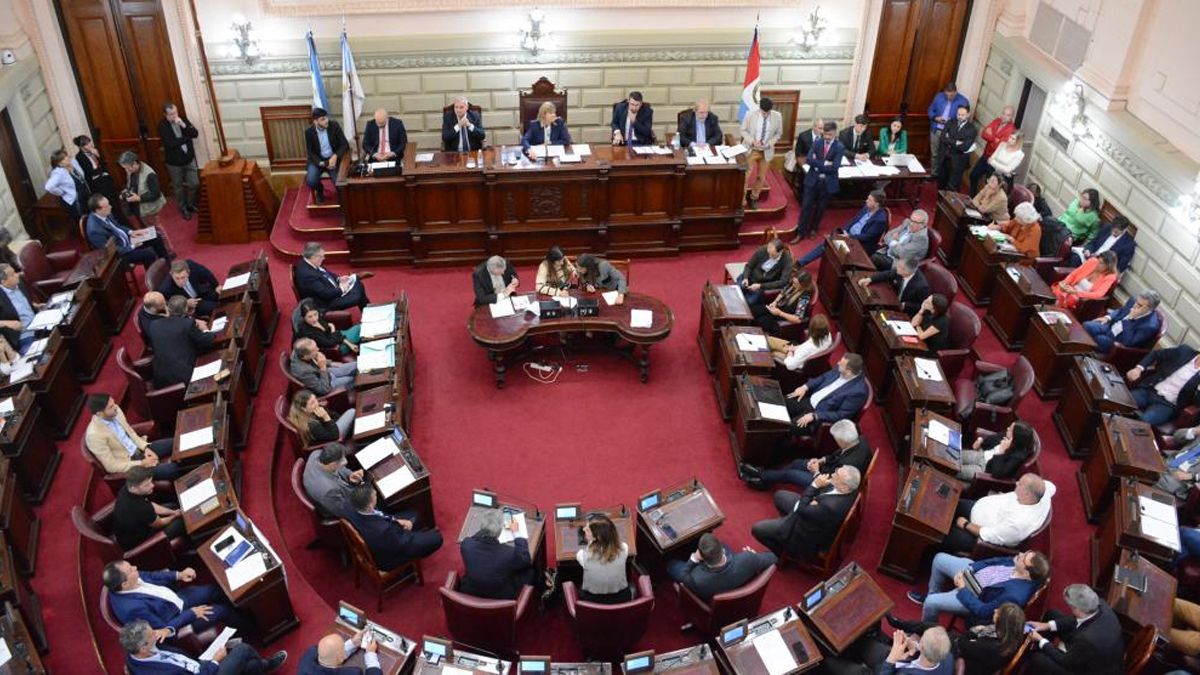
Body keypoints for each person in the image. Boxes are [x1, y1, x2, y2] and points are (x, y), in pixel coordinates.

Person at [908, 550, 1048, 625]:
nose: (1020, 554)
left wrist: (963, 588)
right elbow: (995, 560)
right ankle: (933, 594)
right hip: (972, 574)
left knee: (932, 602)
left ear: (1026, 572)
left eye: (1023, 558)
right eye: (1025, 553)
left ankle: (926, 630)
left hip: (974, 596)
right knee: (939, 559)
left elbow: (983, 611)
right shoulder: (1019, 563)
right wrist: (971, 568)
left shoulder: (1014, 596)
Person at [105, 561, 239, 637]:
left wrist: (179, 575)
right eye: (131, 570)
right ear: (125, 584)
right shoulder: (133, 610)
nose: (136, 568)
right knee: (222, 610)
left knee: (215, 589)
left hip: (174, 600)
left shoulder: (127, 581)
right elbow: (162, 629)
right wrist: (191, 613)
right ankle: (252, 627)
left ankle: (244, 602)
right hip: (178, 619)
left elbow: (153, 576)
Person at [750, 466, 860, 558]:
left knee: (757, 529)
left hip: (804, 534)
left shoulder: (830, 507)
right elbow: (810, 503)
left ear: (845, 487)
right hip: (811, 514)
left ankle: (781, 552)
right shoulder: (851, 490)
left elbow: (802, 508)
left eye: (837, 476)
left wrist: (815, 486)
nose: (833, 475)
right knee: (779, 496)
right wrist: (813, 501)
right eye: (836, 472)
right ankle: (783, 526)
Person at [885, 604, 1025, 675]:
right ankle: (901, 625)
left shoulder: (993, 648)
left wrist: (975, 632)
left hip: (963, 663)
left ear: (1002, 623)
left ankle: (900, 627)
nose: (995, 610)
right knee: (934, 628)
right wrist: (975, 632)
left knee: (933, 631)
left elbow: (964, 642)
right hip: (969, 651)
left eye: (998, 612)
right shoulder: (1012, 635)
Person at [740, 418, 869, 491]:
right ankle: (766, 480)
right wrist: (821, 461)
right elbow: (836, 455)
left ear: (842, 441)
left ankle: (760, 474)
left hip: (827, 484)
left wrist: (816, 471)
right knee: (797, 463)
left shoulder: (850, 463)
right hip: (826, 469)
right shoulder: (857, 439)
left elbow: (833, 482)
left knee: (790, 474)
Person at [122, 619, 287, 674]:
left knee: (250, 665)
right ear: (143, 648)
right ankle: (265, 666)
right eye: (152, 635)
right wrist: (215, 661)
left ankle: (258, 668)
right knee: (242, 649)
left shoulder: (137, 652)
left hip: (199, 664)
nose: (157, 633)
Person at [942, 473, 1055, 552]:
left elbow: (988, 535)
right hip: (976, 507)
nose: (1016, 483)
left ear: (1027, 494)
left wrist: (965, 524)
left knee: (940, 531)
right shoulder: (1044, 492)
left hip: (977, 536)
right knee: (945, 501)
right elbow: (1052, 487)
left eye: (1020, 484)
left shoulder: (1018, 524)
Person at [1026, 584, 1123, 674]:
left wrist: (1041, 640)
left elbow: (1066, 661)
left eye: (1070, 607)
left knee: (1038, 659)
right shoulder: (1099, 603)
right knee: (1052, 614)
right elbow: (1075, 619)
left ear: (1077, 609)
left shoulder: (1088, 640)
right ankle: (1041, 648)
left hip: (1088, 669)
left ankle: (1036, 656)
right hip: (1086, 641)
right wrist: (1046, 625)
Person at [345, 483, 443, 571]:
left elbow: (380, 516)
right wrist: (403, 531)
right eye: (374, 495)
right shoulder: (384, 530)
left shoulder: (350, 507)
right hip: (390, 557)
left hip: (382, 534)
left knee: (413, 514)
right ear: (370, 505)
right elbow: (403, 543)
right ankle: (418, 555)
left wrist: (397, 521)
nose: (376, 495)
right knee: (437, 538)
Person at [85, 393, 180, 480]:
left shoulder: (115, 410)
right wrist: (142, 463)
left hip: (139, 448)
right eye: (111, 407)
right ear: (99, 414)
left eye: (114, 403)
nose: (115, 407)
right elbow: (111, 466)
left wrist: (145, 448)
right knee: (173, 469)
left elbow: (131, 432)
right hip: (129, 462)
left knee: (178, 442)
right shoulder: (94, 435)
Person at [666, 533, 777, 602]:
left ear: (702, 559)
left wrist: (693, 559)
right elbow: (773, 557)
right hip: (735, 574)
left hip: (708, 588)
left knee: (670, 564)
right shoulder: (747, 559)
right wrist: (754, 557)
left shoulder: (697, 579)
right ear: (722, 550)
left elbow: (682, 576)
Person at [795, 190, 889, 266]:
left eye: (869, 200)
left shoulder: (880, 220)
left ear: (876, 204)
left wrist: (849, 236)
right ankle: (802, 261)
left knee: (828, 244)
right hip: (848, 235)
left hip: (859, 244)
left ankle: (801, 262)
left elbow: (867, 236)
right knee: (829, 242)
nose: (866, 201)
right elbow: (854, 220)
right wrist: (844, 230)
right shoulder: (866, 208)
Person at [783, 354, 869, 437]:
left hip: (819, 415)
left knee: (785, 427)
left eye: (841, 364)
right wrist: (805, 387)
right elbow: (822, 378)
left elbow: (841, 415)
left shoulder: (858, 392)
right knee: (781, 402)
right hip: (808, 401)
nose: (838, 363)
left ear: (849, 371)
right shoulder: (839, 369)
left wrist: (816, 416)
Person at [459, 508, 533, 600]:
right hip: (500, 598)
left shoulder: (467, 545)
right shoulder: (508, 554)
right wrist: (517, 533)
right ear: (500, 531)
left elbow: (473, 538)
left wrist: (486, 529)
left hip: (470, 592)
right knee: (530, 571)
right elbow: (525, 560)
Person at [144, 295, 216, 388]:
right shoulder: (187, 324)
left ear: (168, 308)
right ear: (186, 310)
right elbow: (208, 340)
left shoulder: (154, 325)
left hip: (161, 380)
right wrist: (205, 329)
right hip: (186, 379)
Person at [85, 194, 170, 268]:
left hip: (128, 240)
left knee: (156, 236)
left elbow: (118, 226)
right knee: (148, 254)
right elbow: (110, 251)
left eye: (109, 204)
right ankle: (153, 280)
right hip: (121, 253)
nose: (110, 207)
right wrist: (132, 247)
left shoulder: (104, 213)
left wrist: (131, 232)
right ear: (98, 210)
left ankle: (168, 267)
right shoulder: (95, 231)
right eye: (107, 206)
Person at [792, 121, 843, 241]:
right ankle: (801, 232)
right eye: (825, 134)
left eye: (829, 135)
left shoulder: (839, 147)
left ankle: (814, 228)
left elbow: (835, 167)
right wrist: (825, 163)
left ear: (835, 133)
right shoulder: (817, 142)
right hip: (812, 180)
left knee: (820, 208)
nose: (826, 137)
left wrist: (818, 164)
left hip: (827, 183)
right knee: (806, 206)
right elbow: (809, 160)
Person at [112, 466, 184, 550]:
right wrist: (175, 515)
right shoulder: (139, 507)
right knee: (181, 522)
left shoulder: (126, 489)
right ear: (134, 488)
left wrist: (173, 512)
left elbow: (150, 505)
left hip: (139, 526)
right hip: (139, 544)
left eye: (151, 482)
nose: (152, 485)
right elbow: (160, 524)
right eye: (146, 485)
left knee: (172, 506)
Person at [1126, 345, 1200, 426]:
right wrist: (1138, 369)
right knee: (1122, 402)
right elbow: (1156, 354)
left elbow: (1197, 403)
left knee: (1143, 422)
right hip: (1149, 391)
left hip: (1167, 405)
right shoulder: (1184, 351)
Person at [294, 243, 372, 311]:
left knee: (357, 284)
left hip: (330, 290)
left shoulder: (309, 262)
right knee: (357, 295)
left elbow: (325, 273)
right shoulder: (308, 275)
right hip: (326, 303)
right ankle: (369, 312)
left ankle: (369, 311)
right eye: (321, 257)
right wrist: (342, 289)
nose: (324, 258)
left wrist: (338, 279)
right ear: (313, 257)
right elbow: (325, 294)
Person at [1083, 290, 1161, 355]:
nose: (1135, 305)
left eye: (1139, 305)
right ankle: (1080, 349)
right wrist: (1108, 317)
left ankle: (1084, 354)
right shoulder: (1133, 300)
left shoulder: (1150, 326)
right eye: (1137, 301)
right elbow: (1120, 310)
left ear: (1150, 309)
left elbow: (1129, 343)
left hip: (1119, 341)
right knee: (1087, 325)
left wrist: (1130, 318)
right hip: (1111, 326)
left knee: (1099, 339)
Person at [73, 134, 128, 226]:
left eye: (89, 142)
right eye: (86, 144)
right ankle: (117, 223)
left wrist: (97, 155)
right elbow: (88, 171)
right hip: (96, 183)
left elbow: (103, 164)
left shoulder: (95, 151)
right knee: (108, 204)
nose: (90, 145)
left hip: (105, 178)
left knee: (115, 201)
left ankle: (122, 220)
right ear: (81, 147)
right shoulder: (79, 157)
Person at [157, 103, 200, 220]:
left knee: (194, 183)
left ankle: (190, 205)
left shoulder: (183, 120)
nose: (174, 116)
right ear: (165, 115)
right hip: (174, 163)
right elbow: (170, 144)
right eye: (171, 114)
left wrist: (183, 125)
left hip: (189, 159)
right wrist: (186, 138)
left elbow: (195, 134)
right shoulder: (162, 126)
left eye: (175, 112)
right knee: (178, 187)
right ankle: (183, 207)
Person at [575, 514, 631, 604]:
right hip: (621, 600)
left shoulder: (582, 555)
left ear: (598, 537)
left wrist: (591, 542)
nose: (583, 529)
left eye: (588, 530)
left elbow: (589, 549)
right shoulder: (624, 548)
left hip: (593, 603)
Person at [740, 97, 783, 210]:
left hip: (766, 151)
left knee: (761, 177)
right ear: (760, 109)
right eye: (764, 112)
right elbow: (743, 130)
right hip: (752, 149)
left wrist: (769, 144)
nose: (766, 114)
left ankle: (754, 197)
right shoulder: (750, 114)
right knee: (745, 176)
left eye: (768, 112)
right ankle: (741, 200)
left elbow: (778, 134)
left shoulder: (777, 116)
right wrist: (752, 141)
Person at [957, 421, 1036, 482]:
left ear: (1016, 437)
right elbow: (993, 438)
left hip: (984, 469)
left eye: (1010, 430)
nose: (1007, 429)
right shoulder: (1007, 435)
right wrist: (981, 441)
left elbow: (997, 473)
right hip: (981, 454)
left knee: (954, 470)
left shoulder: (1018, 456)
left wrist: (1001, 451)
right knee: (952, 454)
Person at [303, 443, 363, 518]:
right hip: (338, 507)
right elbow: (344, 511)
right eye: (343, 459)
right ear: (333, 465)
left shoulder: (316, 454)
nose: (346, 461)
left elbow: (340, 469)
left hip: (342, 490)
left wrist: (349, 475)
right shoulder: (329, 491)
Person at [968, 105, 1016, 193]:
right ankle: (972, 198)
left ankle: (982, 205)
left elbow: (999, 146)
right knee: (973, 176)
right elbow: (984, 134)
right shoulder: (996, 121)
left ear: (1012, 117)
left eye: (1008, 115)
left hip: (995, 161)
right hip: (985, 156)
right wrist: (995, 139)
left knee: (989, 186)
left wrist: (992, 137)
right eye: (1003, 113)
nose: (1004, 116)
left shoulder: (1011, 130)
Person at [861, 256, 931, 316]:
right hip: (892, 299)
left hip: (904, 311)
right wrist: (870, 279)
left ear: (907, 271)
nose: (897, 267)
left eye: (900, 267)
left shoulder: (921, 287)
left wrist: (905, 305)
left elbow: (922, 306)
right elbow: (888, 274)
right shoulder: (900, 270)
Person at [305, 108, 348, 204]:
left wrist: (335, 156)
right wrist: (323, 163)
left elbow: (344, 144)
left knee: (339, 183)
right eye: (323, 119)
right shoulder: (309, 132)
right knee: (311, 181)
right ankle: (320, 190)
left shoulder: (334, 126)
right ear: (316, 122)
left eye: (326, 118)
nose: (326, 121)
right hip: (318, 161)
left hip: (333, 160)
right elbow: (310, 152)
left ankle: (341, 197)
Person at [750, 269, 813, 336]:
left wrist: (780, 313)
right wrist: (775, 302)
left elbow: (797, 319)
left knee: (760, 321)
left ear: (803, 285)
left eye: (796, 284)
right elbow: (782, 293)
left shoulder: (804, 298)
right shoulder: (793, 284)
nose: (793, 284)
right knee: (753, 310)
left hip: (783, 315)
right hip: (776, 308)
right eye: (793, 282)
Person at [1051, 250, 1117, 310]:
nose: (1097, 264)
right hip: (1070, 288)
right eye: (1098, 261)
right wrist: (1065, 283)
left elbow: (1098, 294)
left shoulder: (1110, 277)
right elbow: (1074, 274)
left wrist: (1075, 292)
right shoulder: (1092, 261)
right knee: (1057, 292)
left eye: (1101, 263)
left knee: (1061, 299)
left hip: (1080, 298)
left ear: (1108, 266)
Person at [1068, 214, 1135, 272]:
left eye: (1116, 232)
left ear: (1124, 230)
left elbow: (1120, 266)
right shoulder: (1107, 228)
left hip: (1102, 266)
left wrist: (1102, 263)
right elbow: (1093, 242)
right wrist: (1088, 250)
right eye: (1112, 230)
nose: (1112, 233)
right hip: (1090, 256)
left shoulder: (1128, 245)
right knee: (1074, 258)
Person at [290, 337, 358, 395]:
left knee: (357, 365)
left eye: (316, 346)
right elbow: (323, 389)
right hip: (327, 383)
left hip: (326, 371)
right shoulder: (303, 372)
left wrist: (330, 363)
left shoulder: (298, 351)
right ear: (305, 356)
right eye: (314, 350)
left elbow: (315, 358)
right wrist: (323, 368)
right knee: (356, 379)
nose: (318, 349)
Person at [766, 312, 832, 372]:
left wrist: (790, 352)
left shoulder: (808, 348)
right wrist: (794, 348)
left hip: (794, 360)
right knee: (769, 340)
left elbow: (790, 365)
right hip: (797, 351)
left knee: (772, 352)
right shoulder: (828, 336)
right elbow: (806, 346)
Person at [119, 151, 168, 230]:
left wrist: (139, 198)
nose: (126, 170)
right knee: (146, 230)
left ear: (134, 163)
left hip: (149, 209)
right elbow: (131, 185)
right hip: (138, 208)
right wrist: (126, 191)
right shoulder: (131, 171)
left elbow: (156, 193)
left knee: (157, 231)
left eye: (127, 168)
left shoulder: (149, 174)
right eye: (125, 168)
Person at [736, 238, 794, 304]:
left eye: (772, 255)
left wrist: (761, 286)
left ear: (780, 252)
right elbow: (749, 266)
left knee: (748, 303)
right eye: (768, 253)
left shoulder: (787, 260)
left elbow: (783, 281)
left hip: (762, 285)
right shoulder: (763, 249)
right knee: (734, 293)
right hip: (749, 278)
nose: (769, 256)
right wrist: (745, 277)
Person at [0, 263, 42, 353]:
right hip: (23, 334)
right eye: (12, 274)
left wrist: (36, 306)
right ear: (3, 282)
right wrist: (6, 323)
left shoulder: (20, 283)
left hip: (38, 323)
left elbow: (23, 304)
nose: (17, 275)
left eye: (15, 272)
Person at [296, 299, 362, 355]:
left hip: (339, 337)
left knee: (361, 329)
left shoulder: (318, 319)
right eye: (309, 316)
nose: (314, 319)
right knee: (360, 329)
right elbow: (330, 343)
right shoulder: (307, 332)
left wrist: (349, 344)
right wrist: (333, 329)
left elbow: (332, 334)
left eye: (315, 314)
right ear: (304, 318)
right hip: (336, 348)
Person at [935, 105, 978, 191]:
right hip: (945, 157)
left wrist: (949, 139)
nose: (960, 117)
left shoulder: (972, 129)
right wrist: (956, 142)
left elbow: (965, 147)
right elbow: (943, 137)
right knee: (941, 182)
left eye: (962, 115)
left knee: (952, 186)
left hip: (958, 161)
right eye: (958, 114)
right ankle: (939, 202)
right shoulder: (950, 122)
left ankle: (947, 203)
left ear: (968, 115)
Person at [290, 389, 354, 446]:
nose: (317, 403)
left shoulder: (311, 411)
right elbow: (335, 436)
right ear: (304, 409)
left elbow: (335, 416)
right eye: (312, 403)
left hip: (331, 429)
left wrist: (326, 411)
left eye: (315, 399)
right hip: (333, 438)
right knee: (351, 412)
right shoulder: (312, 425)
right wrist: (325, 416)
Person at [299, 630, 379, 674]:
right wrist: (371, 655)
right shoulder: (354, 673)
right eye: (343, 647)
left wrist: (352, 644)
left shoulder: (308, 656)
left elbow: (329, 653)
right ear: (341, 657)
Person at [927, 82, 969, 163]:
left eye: (951, 95)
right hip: (936, 129)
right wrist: (935, 117)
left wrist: (952, 121)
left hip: (950, 133)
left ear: (956, 92)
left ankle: (942, 175)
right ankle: (934, 174)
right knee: (934, 154)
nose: (949, 97)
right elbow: (930, 110)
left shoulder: (963, 101)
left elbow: (964, 119)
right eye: (947, 95)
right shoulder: (939, 97)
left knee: (946, 156)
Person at [44, 148, 86, 219]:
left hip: (85, 195)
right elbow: (48, 187)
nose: (67, 158)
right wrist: (62, 192)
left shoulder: (72, 162)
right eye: (64, 158)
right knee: (82, 220)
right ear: (59, 163)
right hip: (76, 200)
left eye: (66, 156)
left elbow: (82, 177)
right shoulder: (58, 173)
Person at [791, 117, 824, 193]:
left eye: (823, 129)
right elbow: (798, 153)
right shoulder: (803, 136)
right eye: (820, 128)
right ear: (814, 127)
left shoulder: (824, 137)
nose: (822, 131)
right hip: (806, 163)